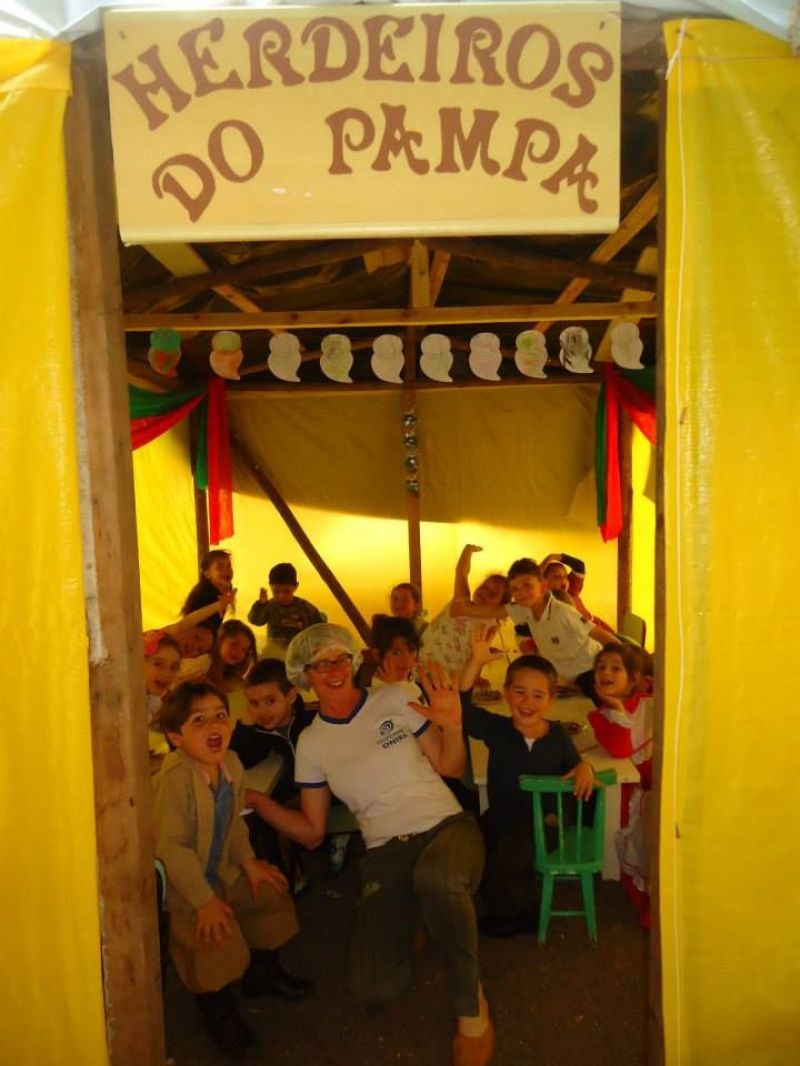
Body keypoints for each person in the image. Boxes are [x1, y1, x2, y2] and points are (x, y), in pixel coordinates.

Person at [244, 623, 495, 1066]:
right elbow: (312, 831)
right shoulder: (312, 743)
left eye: (340, 658)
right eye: (320, 664)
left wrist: (453, 726)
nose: (334, 669)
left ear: (355, 660)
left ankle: (471, 1005)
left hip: (446, 828)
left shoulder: (396, 697)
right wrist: (258, 801)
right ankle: (422, 911)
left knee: (438, 877)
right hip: (385, 852)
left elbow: (451, 767)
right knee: (375, 986)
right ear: (304, 676)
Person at [153, 681, 310, 1058]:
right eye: (199, 720)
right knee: (212, 936)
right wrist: (204, 901)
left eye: (220, 716)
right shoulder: (175, 780)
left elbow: (235, 824)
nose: (214, 726)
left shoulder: (232, 765)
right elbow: (171, 849)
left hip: (221, 868)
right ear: (176, 737)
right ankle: (217, 1008)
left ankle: (262, 974)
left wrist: (250, 864)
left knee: (269, 891)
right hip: (186, 886)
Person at [460, 628, 595, 938]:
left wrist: (585, 767)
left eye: (538, 695)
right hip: (501, 818)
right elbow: (461, 710)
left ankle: (519, 915)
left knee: (512, 848)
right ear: (506, 692)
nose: (527, 702)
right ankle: (510, 907)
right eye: (519, 692)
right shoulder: (498, 730)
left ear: (550, 700)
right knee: (481, 841)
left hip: (545, 823)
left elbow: (576, 766)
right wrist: (475, 662)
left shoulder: (558, 736)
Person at [420, 544, 510, 676]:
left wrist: (475, 676)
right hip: (424, 665)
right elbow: (461, 572)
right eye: (484, 586)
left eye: (493, 593)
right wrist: (468, 550)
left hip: (451, 675)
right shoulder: (462, 600)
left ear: (501, 604)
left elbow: (480, 654)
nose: (485, 592)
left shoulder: (491, 624)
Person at [247, 562, 324, 659]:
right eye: (276, 592)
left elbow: (319, 631)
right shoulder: (270, 606)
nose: (281, 596)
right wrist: (260, 604)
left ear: (296, 587)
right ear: (270, 587)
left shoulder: (306, 608)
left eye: (287, 591)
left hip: (299, 654)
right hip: (274, 654)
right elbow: (254, 620)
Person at [207, 620, 258, 722]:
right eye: (234, 644)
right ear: (221, 640)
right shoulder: (202, 667)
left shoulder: (237, 683)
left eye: (244, 649)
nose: (238, 652)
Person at [181, 550, 235, 636]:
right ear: (207, 574)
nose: (226, 571)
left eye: (228, 566)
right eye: (219, 568)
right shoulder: (204, 594)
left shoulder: (221, 592)